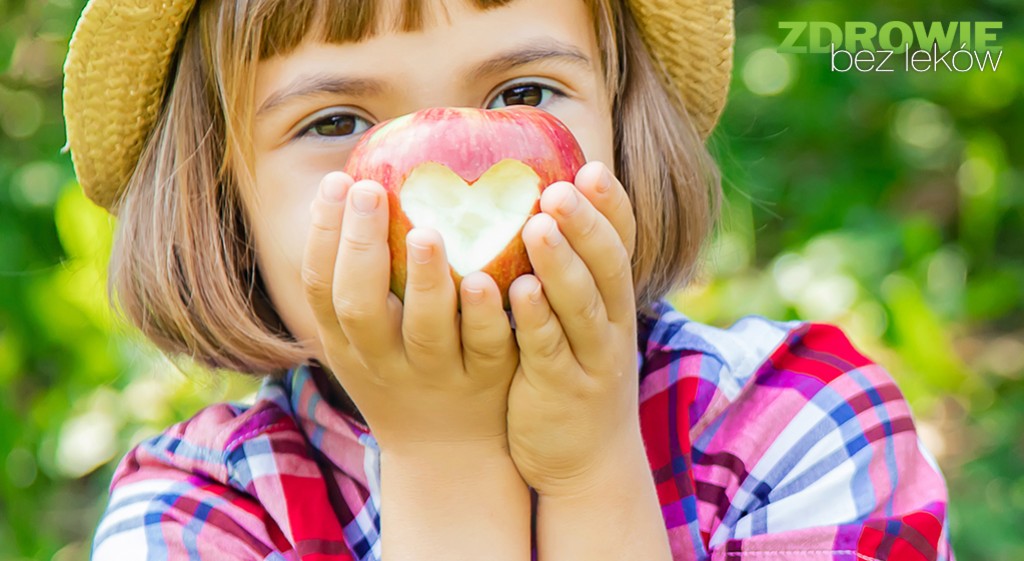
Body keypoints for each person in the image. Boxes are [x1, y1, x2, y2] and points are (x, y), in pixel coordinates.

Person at [63, 0, 954, 559]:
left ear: (623, 125)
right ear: (225, 208)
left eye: (523, 96)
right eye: (335, 118)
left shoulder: (795, 427)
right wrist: (444, 465)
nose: (428, 184)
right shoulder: (202, 518)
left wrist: (590, 469)